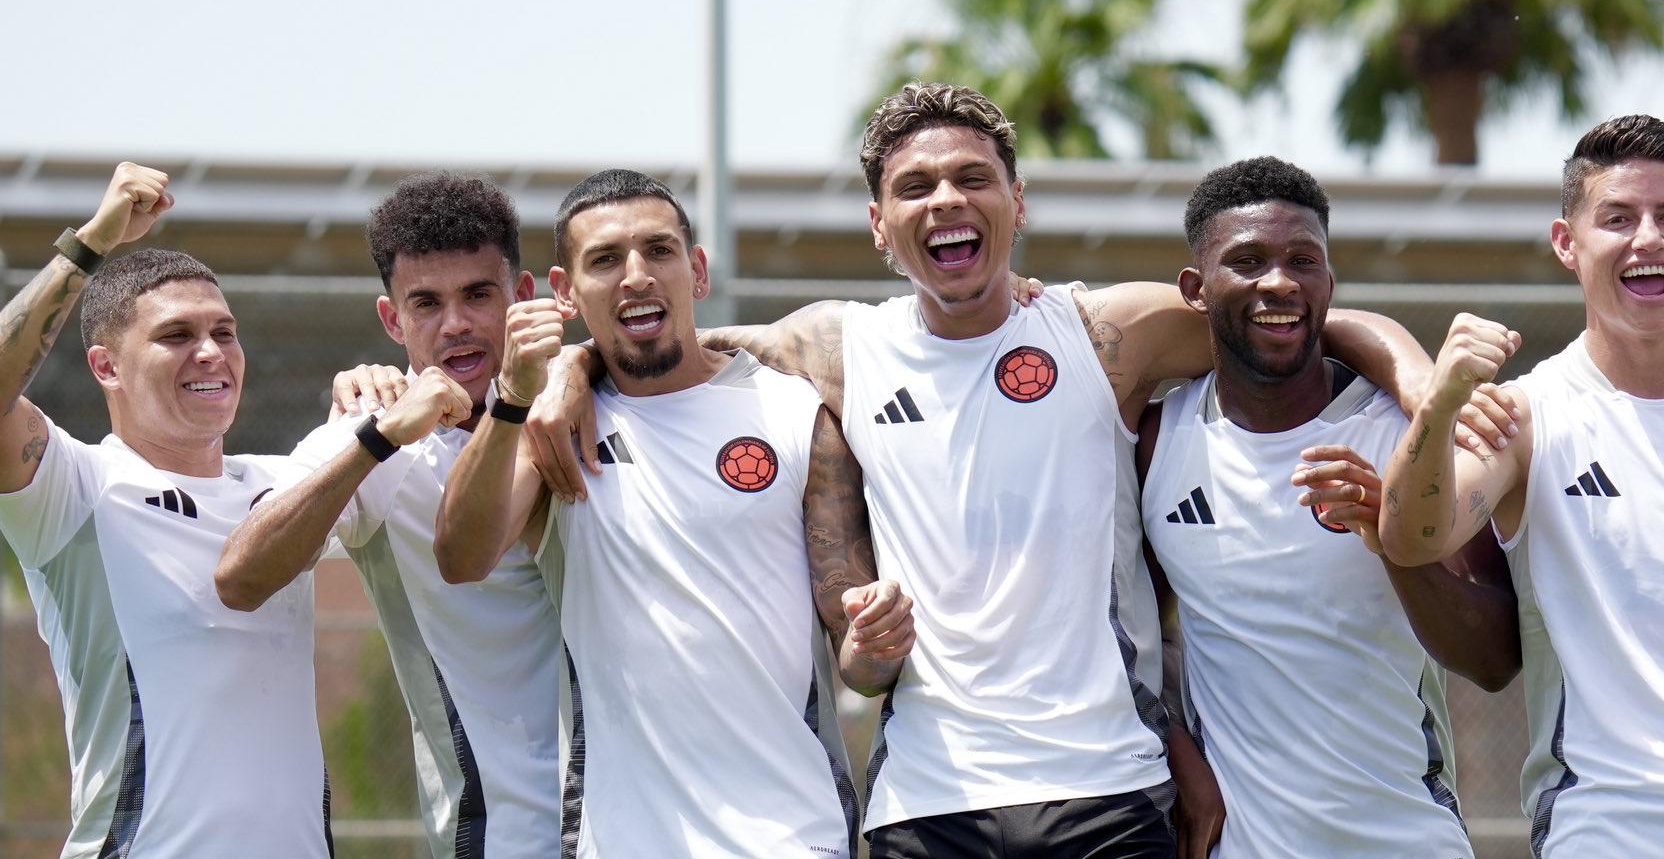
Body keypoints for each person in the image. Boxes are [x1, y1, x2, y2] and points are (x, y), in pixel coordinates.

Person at [521, 83, 1514, 857]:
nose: (946, 200)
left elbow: (1281, 309)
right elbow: (665, 341)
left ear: (1014, 201)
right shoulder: (837, 347)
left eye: (971, 178)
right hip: (927, 798)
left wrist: (1422, 380)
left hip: (1107, 786)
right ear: (879, 225)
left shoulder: (1100, 332)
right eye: (914, 188)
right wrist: (568, 368)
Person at [1378, 116, 1664, 857]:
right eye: (1616, 218)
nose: (1646, 239)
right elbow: (1412, 536)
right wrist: (1437, 405)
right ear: (1567, 243)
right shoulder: (1529, 415)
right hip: (1608, 829)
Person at [434, 170, 905, 857]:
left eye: (657, 251)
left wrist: (875, 643)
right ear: (565, 292)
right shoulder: (549, 429)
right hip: (623, 840)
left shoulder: (795, 411)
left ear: (697, 270)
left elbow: (854, 655)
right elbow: (461, 558)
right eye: (605, 260)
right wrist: (514, 395)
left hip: (793, 836)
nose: (635, 276)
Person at [1138, 155, 1519, 859]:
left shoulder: (1407, 434)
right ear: (1196, 288)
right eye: (1246, 261)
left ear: (1328, 282)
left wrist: (1389, 539)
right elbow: (1133, 635)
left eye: (1301, 261)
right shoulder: (1158, 441)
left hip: (1408, 840)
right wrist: (1178, 749)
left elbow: (1493, 658)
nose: (1277, 281)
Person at [215, 173, 566, 856]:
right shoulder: (372, 435)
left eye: (477, 295)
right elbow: (240, 576)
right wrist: (375, 440)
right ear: (391, 319)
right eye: (426, 303)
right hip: (506, 836)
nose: (455, 324)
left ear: (523, 297)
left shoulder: (584, 391)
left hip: (647, 818)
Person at [0, 164, 334, 855]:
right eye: (176, 335)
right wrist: (93, 240)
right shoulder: (78, 486)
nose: (211, 352)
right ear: (106, 367)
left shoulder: (285, 483)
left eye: (225, 331)